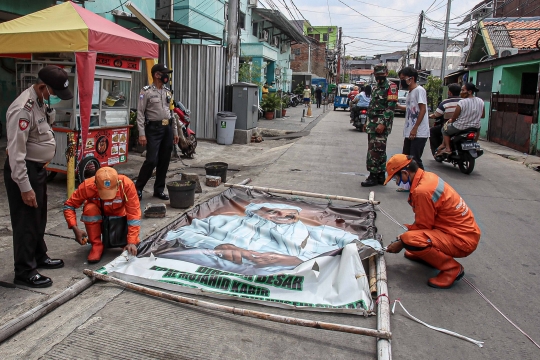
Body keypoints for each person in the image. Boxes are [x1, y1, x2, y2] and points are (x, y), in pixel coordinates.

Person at [4, 65, 73, 288]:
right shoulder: (22, 109)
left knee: (39, 217)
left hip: (38, 170)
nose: (54, 97)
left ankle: (39, 255)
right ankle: (24, 270)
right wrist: (24, 187)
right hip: (24, 170)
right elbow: (16, 154)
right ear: (43, 86)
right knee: (26, 221)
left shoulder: (41, 102)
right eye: (53, 92)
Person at [161, 202, 363, 275]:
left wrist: (294, 260)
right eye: (273, 212)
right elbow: (178, 233)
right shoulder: (226, 222)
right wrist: (220, 245)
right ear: (255, 213)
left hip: (281, 274)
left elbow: (363, 244)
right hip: (216, 266)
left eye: (289, 215)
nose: (281, 217)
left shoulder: (311, 232)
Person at [384, 154, 481, 288]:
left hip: (462, 239)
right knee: (410, 239)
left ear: (405, 173)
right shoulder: (427, 177)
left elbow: (424, 225)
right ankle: (428, 256)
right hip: (462, 231)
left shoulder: (422, 191)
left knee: (410, 240)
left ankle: (451, 269)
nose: (396, 182)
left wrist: (401, 243)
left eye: (396, 178)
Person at [63, 167, 141, 263]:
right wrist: (75, 228)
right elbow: (69, 206)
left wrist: (132, 241)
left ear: (117, 183)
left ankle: (122, 240)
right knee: (90, 209)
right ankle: (96, 245)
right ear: (95, 184)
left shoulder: (127, 185)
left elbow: (134, 214)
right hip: (98, 216)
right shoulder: (87, 186)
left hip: (118, 217)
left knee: (133, 245)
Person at [135, 63, 179, 201]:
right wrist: (141, 133)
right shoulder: (146, 91)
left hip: (167, 129)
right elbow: (140, 113)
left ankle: (158, 190)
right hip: (153, 129)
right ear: (157, 75)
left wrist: (175, 132)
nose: (167, 76)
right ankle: (138, 188)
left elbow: (172, 112)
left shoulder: (167, 92)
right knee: (151, 160)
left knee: (165, 160)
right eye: (164, 73)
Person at [361, 64, 398, 187]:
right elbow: (372, 106)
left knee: (375, 150)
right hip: (373, 123)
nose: (379, 77)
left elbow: (391, 107)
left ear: (386, 73)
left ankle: (373, 175)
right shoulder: (376, 87)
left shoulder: (391, 86)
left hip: (381, 123)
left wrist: (383, 123)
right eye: (377, 75)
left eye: (382, 75)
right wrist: (367, 122)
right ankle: (380, 175)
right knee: (378, 150)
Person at [437, 83, 484, 155]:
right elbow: (482, 115)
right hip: (475, 127)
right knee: (478, 129)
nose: (461, 92)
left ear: (469, 92)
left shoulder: (462, 102)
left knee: (444, 130)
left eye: (462, 90)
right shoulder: (481, 101)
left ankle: (447, 148)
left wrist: (450, 120)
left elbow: (454, 117)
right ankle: (474, 144)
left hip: (460, 126)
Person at [396, 67, 429, 171]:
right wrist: (398, 106)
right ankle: (410, 185)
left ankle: (423, 183)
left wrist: (415, 128)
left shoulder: (419, 90)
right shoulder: (410, 92)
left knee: (415, 161)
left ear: (412, 78)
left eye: (403, 78)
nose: (402, 81)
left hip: (418, 132)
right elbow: (411, 109)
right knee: (406, 159)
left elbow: (422, 109)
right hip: (410, 132)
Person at [429, 83, 462, 155]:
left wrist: (431, 116)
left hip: (450, 125)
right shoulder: (464, 101)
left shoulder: (445, 102)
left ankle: (438, 150)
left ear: (449, 92)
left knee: (432, 131)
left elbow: (437, 114)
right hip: (463, 125)